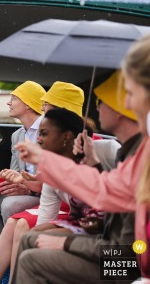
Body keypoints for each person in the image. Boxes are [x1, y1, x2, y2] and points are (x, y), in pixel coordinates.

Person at [12, 36, 150, 282]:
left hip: (127, 264)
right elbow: (108, 192)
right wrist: (90, 163)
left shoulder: (139, 153)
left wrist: (67, 245)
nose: (96, 109)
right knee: (32, 241)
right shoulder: (134, 152)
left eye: (130, 92)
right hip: (121, 252)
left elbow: (130, 252)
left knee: (32, 259)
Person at [0, 108, 89, 284]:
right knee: (29, 236)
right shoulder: (51, 169)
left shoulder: (97, 157)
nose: (38, 139)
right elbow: (46, 214)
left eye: (44, 133)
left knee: (28, 237)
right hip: (79, 222)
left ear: (66, 137)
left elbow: (100, 208)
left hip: (107, 237)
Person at [0, 81, 45, 244]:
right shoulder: (17, 135)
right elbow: (15, 170)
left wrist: (28, 188)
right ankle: (1, 249)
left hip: (45, 191)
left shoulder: (49, 131)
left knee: (9, 205)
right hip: (24, 186)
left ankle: (16, 252)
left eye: (14, 98)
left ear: (28, 104)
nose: (8, 102)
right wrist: (4, 181)